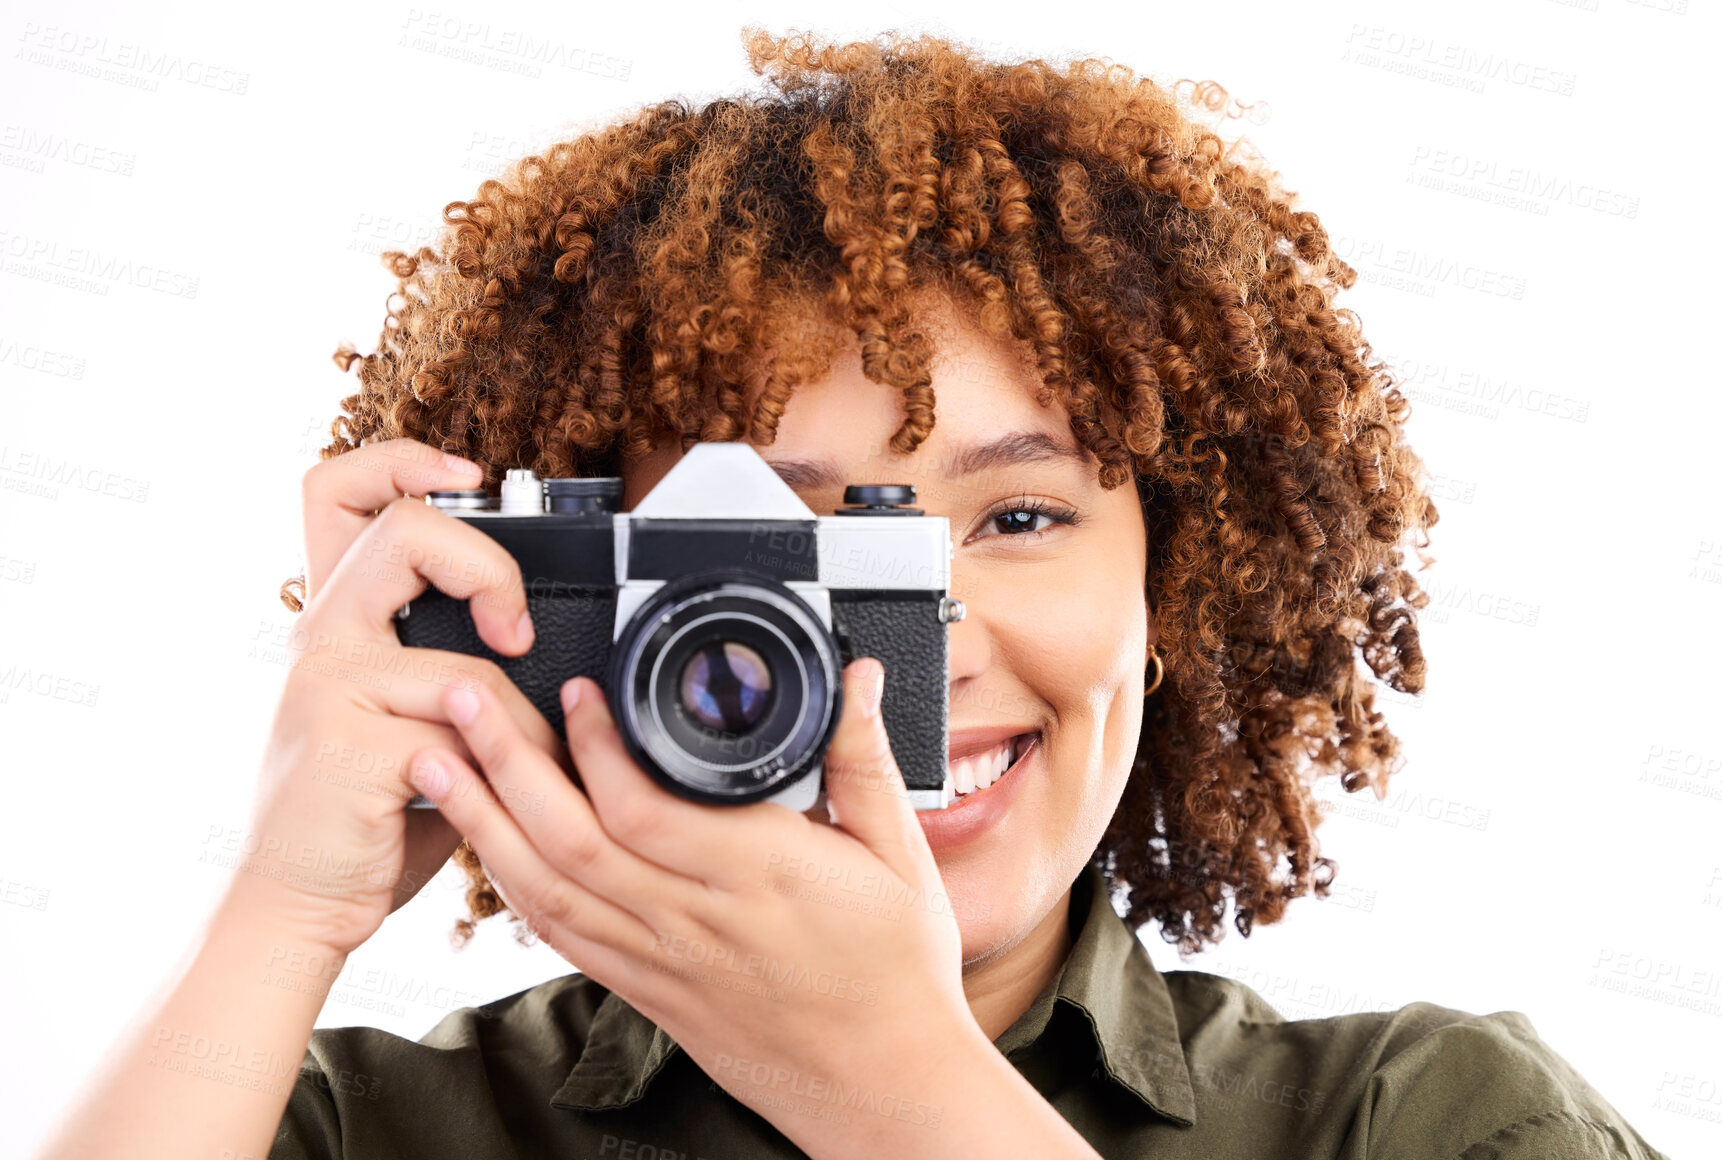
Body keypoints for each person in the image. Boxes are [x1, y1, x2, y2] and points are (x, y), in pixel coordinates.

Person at [35, 28, 1670, 1160]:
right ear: (567, 601)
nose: (927, 636)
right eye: (785, 555)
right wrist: (286, 912)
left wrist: (888, 1081)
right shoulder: (326, 1129)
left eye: (1019, 514)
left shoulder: (1430, 1121)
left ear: (1175, 597)